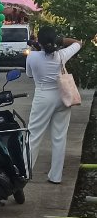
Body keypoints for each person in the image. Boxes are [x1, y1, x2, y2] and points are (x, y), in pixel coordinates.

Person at [26, 27, 84, 184]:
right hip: (62, 96)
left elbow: (30, 75)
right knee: (59, 137)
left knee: (34, 135)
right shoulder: (61, 55)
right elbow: (78, 43)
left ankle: (24, 172)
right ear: (54, 40)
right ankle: (55, 176)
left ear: (40, 41)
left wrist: (37, 47)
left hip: (43, 96)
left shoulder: (32, 57)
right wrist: (60, 41)